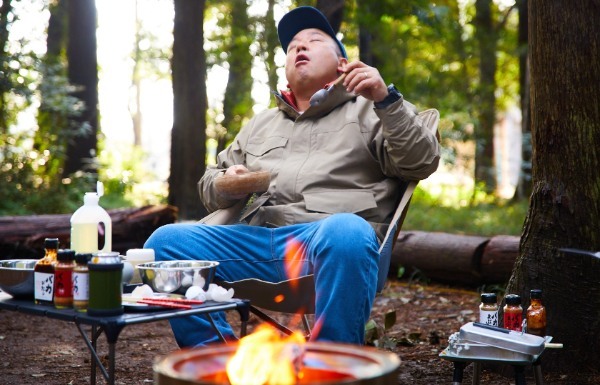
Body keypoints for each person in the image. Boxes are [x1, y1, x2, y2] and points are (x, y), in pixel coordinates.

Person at [144, 6, 440, 347]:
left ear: (343, 64)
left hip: (328, 245)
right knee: (165, 244)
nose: (300, 47)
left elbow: (420, 163)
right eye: (293, 46)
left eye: (314, 40)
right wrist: (227, 182)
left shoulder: (372, 109)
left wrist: (385, 99)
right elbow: (210, 188)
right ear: (285, 68)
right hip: (254, 245)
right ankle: (217, 362)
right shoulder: (261, 124)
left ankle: (332, 368)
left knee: (348, 230)